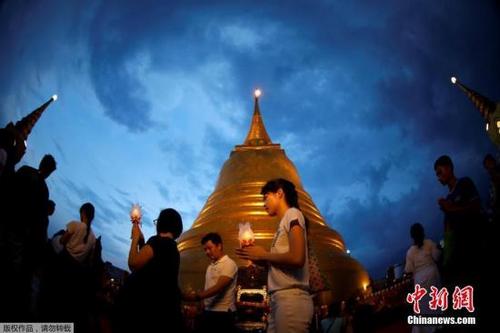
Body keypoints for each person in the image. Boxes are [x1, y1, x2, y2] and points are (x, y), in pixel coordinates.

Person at [236, 178, 313, 333]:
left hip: (291, 299)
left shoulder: (293, 214)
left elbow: (297, 258)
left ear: (279, 193)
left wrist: (264, 254)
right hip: (279, 300)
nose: (264, 204)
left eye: (266, 197)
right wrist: (257, 258)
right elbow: (282, 263)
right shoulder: (282, 225)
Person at [114, 208, 184, 333]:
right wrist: (142, 242)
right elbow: (151, 265)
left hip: (144, 311)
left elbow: (134, 263)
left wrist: (135, 238)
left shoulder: (157, 242)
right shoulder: (174, 250)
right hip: (163, 314)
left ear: (161, 223)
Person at [434, 155, 483, 287]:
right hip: (463, 253)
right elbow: (449, 229)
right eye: (436, 174)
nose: (438, 177)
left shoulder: (464, 183)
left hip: (477, 242)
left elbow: (476, 206)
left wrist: (451, 208)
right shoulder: (448, 198)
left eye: (440, 172)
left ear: (449, 167)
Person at [185, 232, 238, 333]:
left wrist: (196, 297)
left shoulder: (229, 264)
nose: (207, 252)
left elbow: (218, 288)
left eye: (210, 248)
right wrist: (201, 305)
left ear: (219, 246)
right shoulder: (210, 266)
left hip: (223, 313)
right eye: (205, 249)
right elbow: (207, 287)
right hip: (208, 312)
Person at [405, 223, 441, 333]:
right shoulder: (429, 243)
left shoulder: (410, 252)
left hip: (420, 281)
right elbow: (437, 256)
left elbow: (409, 269)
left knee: (423, 308)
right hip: (433, 277)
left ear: (412, 236)